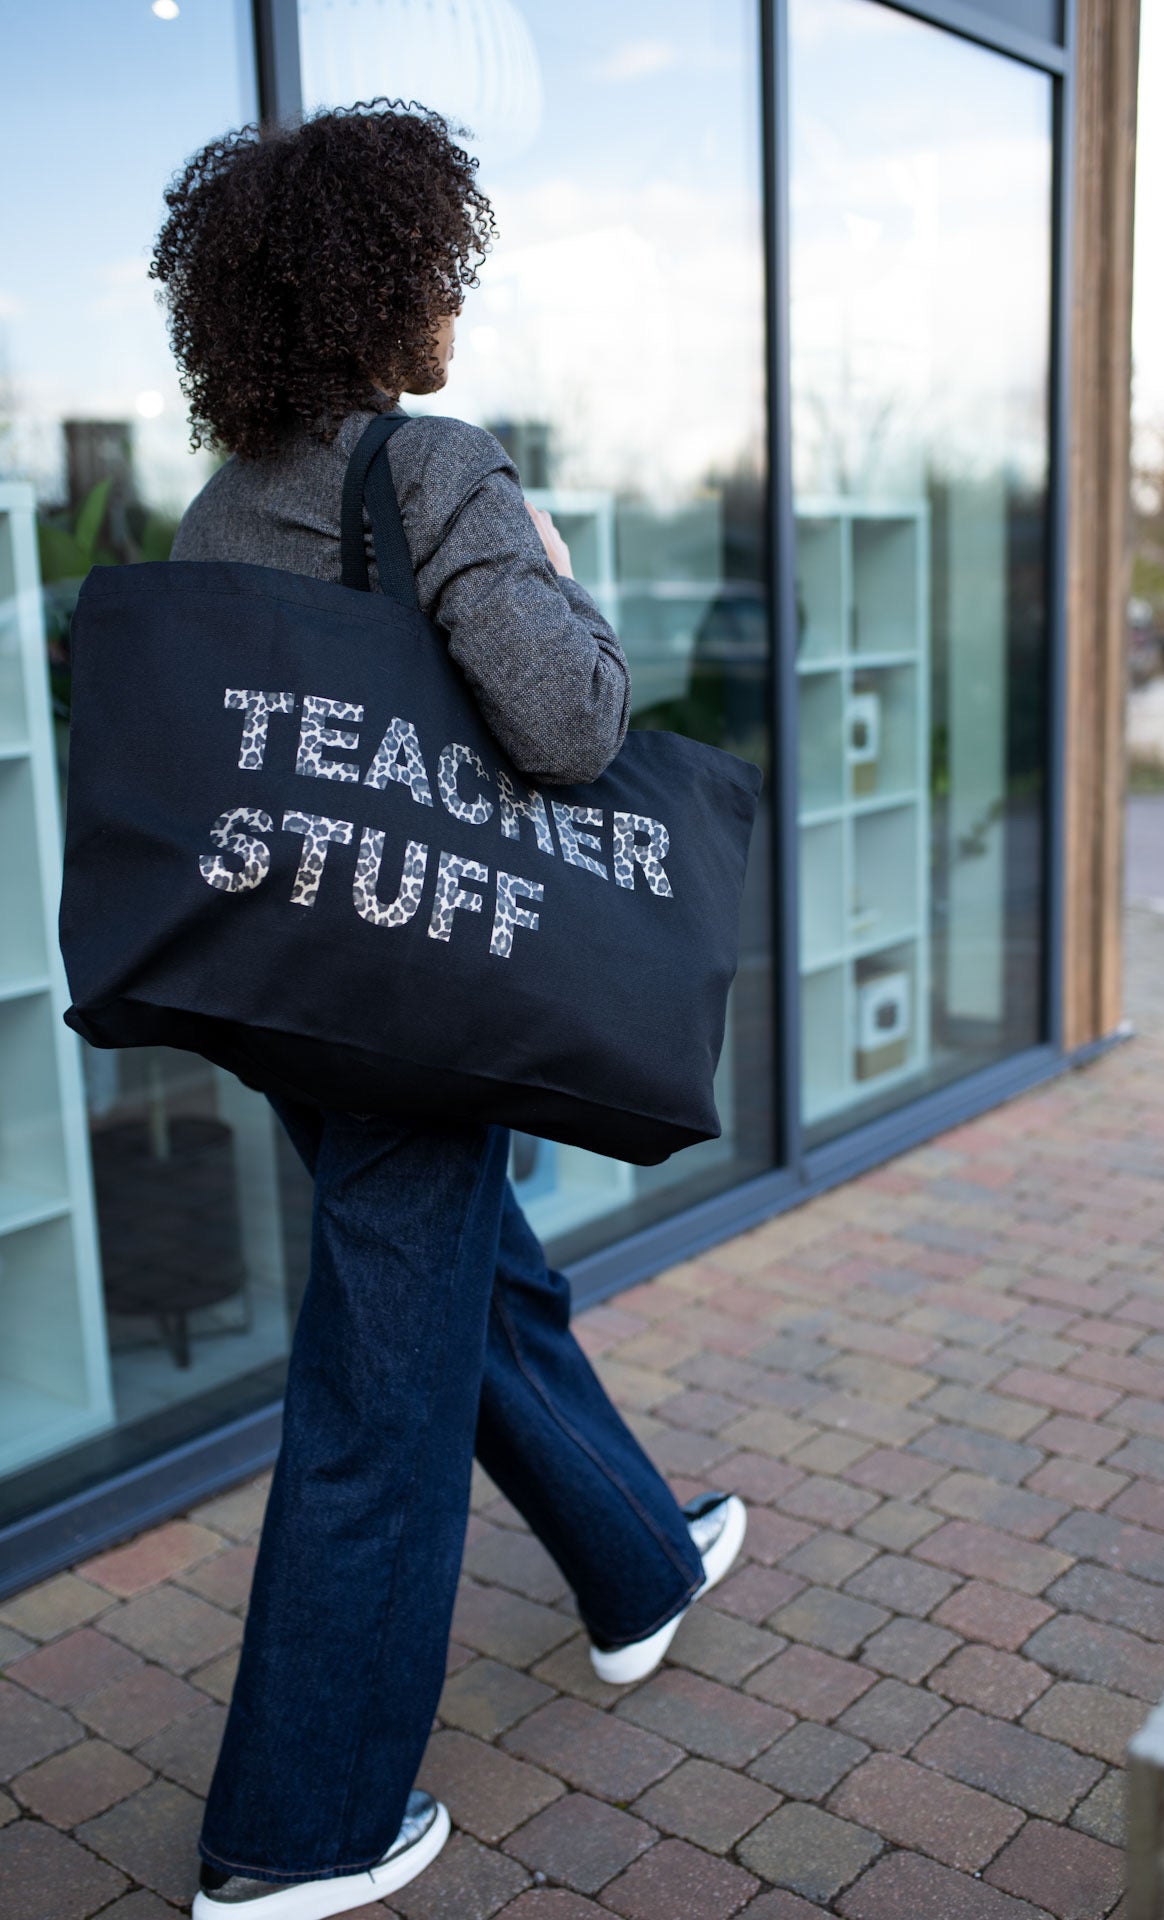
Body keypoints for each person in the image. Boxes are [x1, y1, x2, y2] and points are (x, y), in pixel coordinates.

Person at [151, 99, 747, 1920]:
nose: (451, 308)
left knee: (467, 1278)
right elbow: (566, 729)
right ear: (385, 286)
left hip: (294, 987)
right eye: (437, 271)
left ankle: (638, 1564)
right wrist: (565, 586)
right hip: (436, 978)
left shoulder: (215, 501)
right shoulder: (432, 467)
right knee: (377, 1385)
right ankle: (300, 1829)